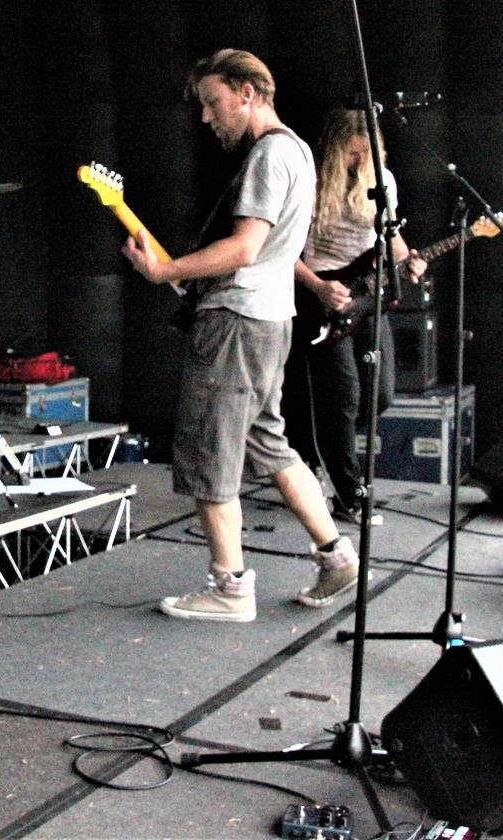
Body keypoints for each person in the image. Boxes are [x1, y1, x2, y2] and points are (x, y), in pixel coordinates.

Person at [122, 49, 359, 623]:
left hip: (237, 322)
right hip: (272, 321)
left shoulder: (268, 157)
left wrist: (165, 270)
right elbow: (275, 250)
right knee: (269, 443)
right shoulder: (297, 151)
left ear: (247, 93)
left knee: (210, 450)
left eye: (214, 102)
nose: (207, 117)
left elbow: (245, 248)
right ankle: (337, 557)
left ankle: (229, 588)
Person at [284, 108, 427, 528]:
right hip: (322, 296)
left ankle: (318, 453)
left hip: (367, 298)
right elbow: (282, 249)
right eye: (351, 153)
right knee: (343, 396)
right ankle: (350, 496)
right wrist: (318, 287)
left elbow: (391, 237)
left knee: (379, 394)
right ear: (333, 151)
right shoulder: (310, 184)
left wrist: (410, 260)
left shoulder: (382, 182)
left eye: (365, 153)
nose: (358, 162)